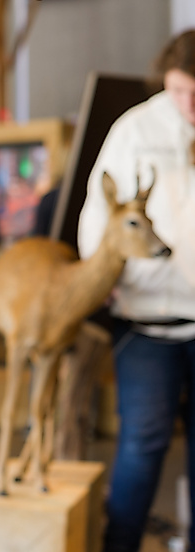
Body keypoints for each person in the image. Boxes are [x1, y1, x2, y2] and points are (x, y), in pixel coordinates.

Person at [78, 29, 195, 552]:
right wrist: (98, 277)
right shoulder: (135, 128)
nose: (188, 104)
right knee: (141, 447)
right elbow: (98, 215)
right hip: (146, 324)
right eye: (178, 91)